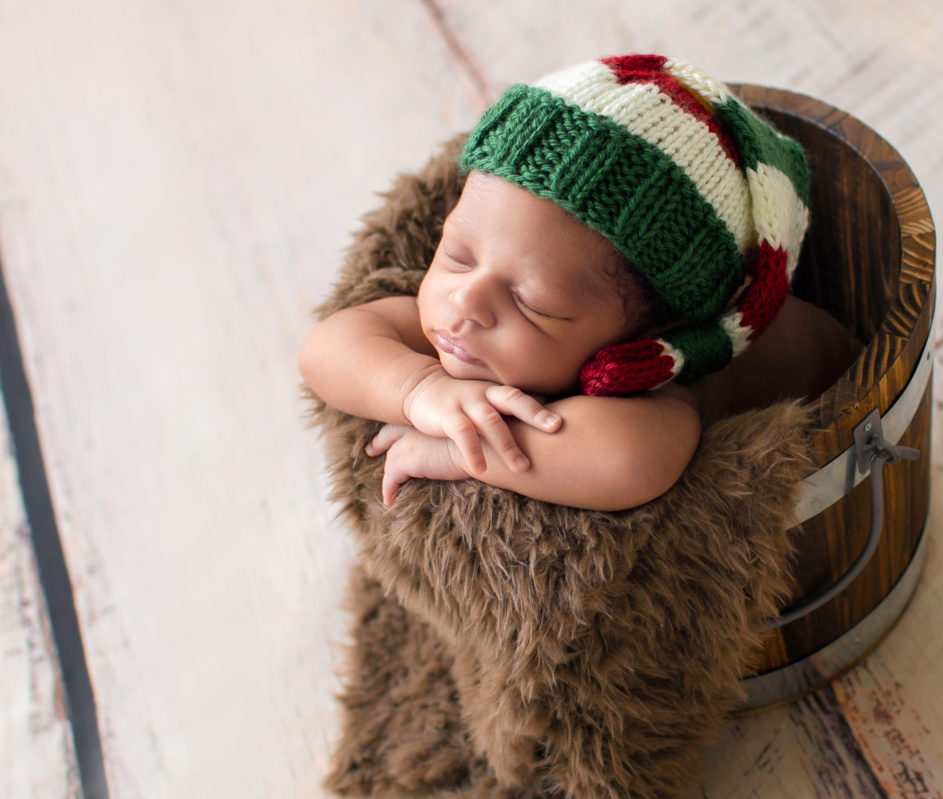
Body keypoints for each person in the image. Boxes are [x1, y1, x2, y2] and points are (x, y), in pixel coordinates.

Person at [299, 54, 856, 511]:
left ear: (646, 338)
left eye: (530, 300)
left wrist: (462, 452)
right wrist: (421, 390)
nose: (465, 299)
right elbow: (330, 346)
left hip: (844, 393)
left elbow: (626, 459)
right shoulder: (466, 319)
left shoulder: (651, 380)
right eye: (458, 255)